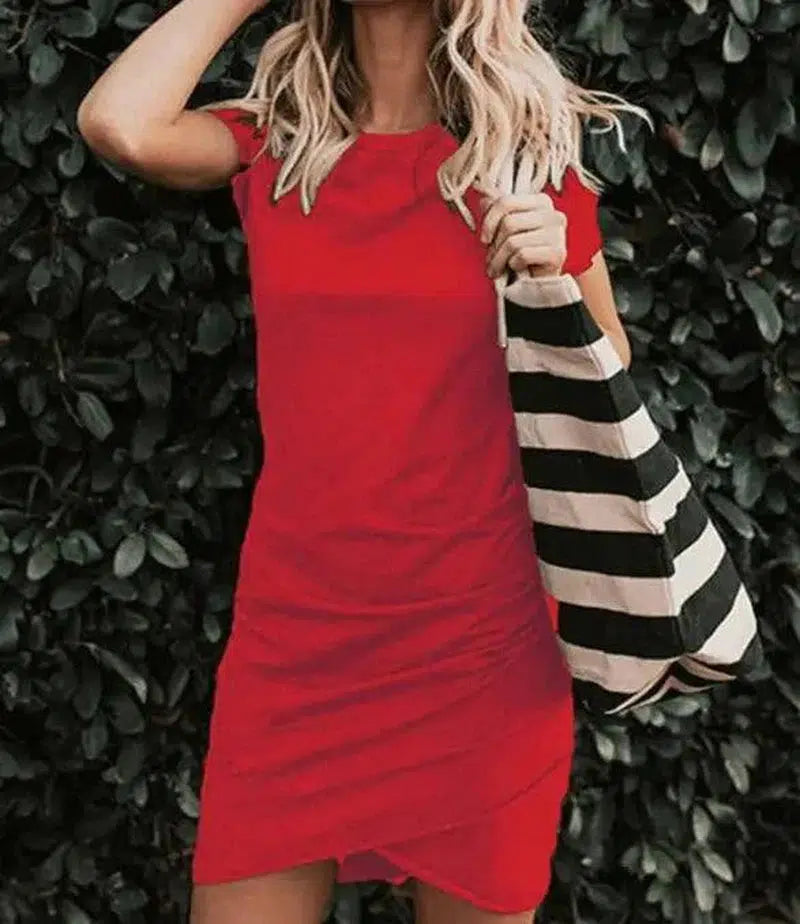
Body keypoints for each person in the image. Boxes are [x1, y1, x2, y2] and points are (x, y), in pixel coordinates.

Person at [77, 1, 644, 922]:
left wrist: (553, 279)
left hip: (482, 643)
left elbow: (609, 378)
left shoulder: (523, 154)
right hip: (296, 644)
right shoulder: (276, 143)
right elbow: (119, 124)